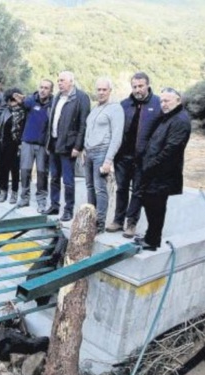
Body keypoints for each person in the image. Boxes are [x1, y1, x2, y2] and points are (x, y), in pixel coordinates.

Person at [135, 87, 191, 251]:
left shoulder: (180, 120)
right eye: (161, 101)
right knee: (150, 205)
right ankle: (150, 237)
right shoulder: (168, 117)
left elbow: (171, 151)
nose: (163, 104)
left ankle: (152, 241)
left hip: (163, 174)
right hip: (154, 171)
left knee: (156, 207)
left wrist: (149, 166)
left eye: (167, 101)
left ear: (178, 101)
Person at [106, 72, 162, 237]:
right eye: (134, 86)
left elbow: (161, 133)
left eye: (140, 86)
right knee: (121, 189)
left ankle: (131, 224)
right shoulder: (124, 105)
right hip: (123, 157)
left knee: (138, 191)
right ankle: (118, 220)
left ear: (147, 85)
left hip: (143, 158)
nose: (137, 90)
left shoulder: (158, 104)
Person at [43, 71, 91, 222]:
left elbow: (83, 124)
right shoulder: (57, 96)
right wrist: (48, 141)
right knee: (54, 177)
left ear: (71, 81)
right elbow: (52, 121)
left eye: (62, 80)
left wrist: (78, 146)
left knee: (68, 180)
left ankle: (68, 209)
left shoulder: (81, 97)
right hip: (54, 143)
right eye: (58, 81)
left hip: (69, 145)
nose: (59, 83)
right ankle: (54, 205)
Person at [84, 77, 124, 233]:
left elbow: (117, 136)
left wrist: (108, 160)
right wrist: (84, 148)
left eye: (104, 90)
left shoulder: (115, 109)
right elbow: (89, 130)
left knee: (100, 188)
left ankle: (99, 223)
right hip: (89, 152)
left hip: (102, 152)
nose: (101, 92)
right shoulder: (95, 109)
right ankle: (90, 219)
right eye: (98, 89)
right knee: (89, 187)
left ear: (110, 91)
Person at [13, 79, 53, 210]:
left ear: (51, 90)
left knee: (42, 173)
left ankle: (41, 200)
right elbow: (23, 103)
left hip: (43, 145)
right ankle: (24, 198)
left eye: (46, 88)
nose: (43, 90)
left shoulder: (53, 104)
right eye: (41, 87)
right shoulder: (31, 100)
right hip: (27, 142)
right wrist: (18, 99)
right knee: (24, 171)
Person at [0, 88, 26, 204]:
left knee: (15, 169)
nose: (12, 103)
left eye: (14, 101)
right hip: (4, 143)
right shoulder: (6, 111)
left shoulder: (24, 112)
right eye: (10, 101)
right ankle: (3, 191)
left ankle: (14, 192)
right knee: (3, 168)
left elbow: (24, 129)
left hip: (17, 144)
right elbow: (0, 124)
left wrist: (21, 143)